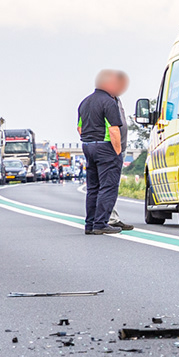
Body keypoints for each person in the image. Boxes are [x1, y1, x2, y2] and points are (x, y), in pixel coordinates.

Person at [77, 70, 135, 235]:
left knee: (93, 187)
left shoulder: (85, 102)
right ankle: (101, 223)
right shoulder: (109, 102)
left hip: (88, 146)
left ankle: (90, 224)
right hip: (105, 147)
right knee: (108, 187)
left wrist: (89, 140)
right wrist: (117, 152)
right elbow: (113, 129)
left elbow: (79, 128)